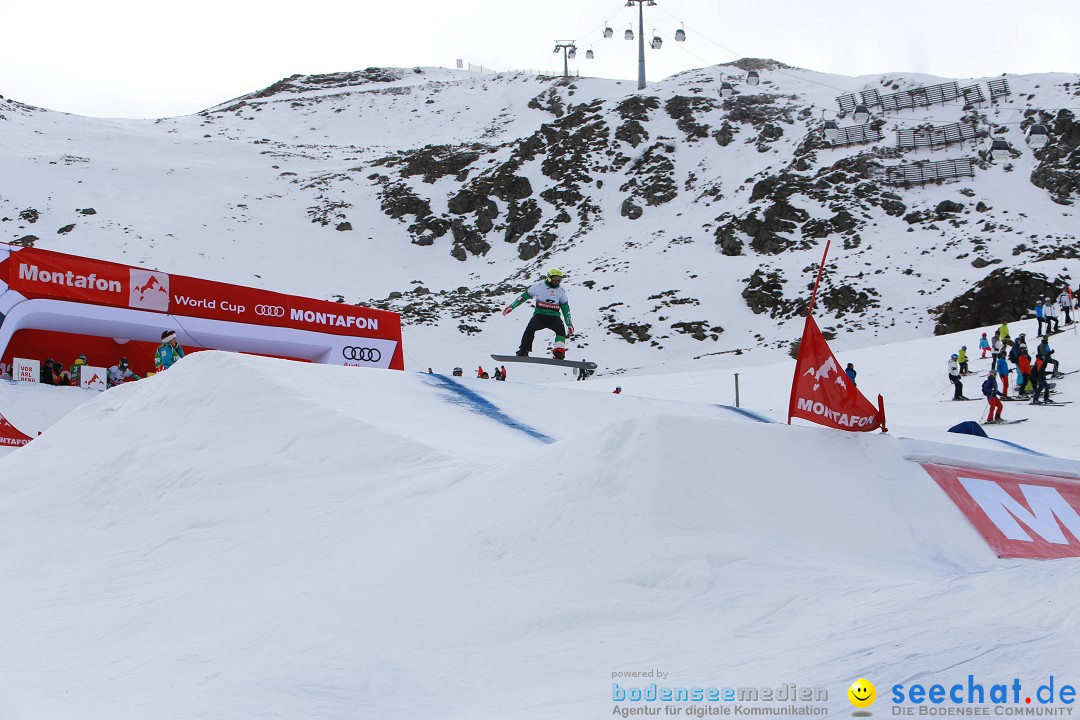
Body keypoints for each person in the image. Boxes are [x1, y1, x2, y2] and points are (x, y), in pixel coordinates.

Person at [503, 268, 574, 360]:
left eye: (559, 280)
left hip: (554, 317)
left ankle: (559, 353)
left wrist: (569, 324)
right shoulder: (539, 286)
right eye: (555, 279)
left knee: (560, 330)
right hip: (540, 315)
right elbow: (524, 296)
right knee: (530, 328)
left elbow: (565, 308)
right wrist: (512, 306)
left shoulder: (561, 290)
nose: (557, 282)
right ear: (549, 278)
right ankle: (524, 350)